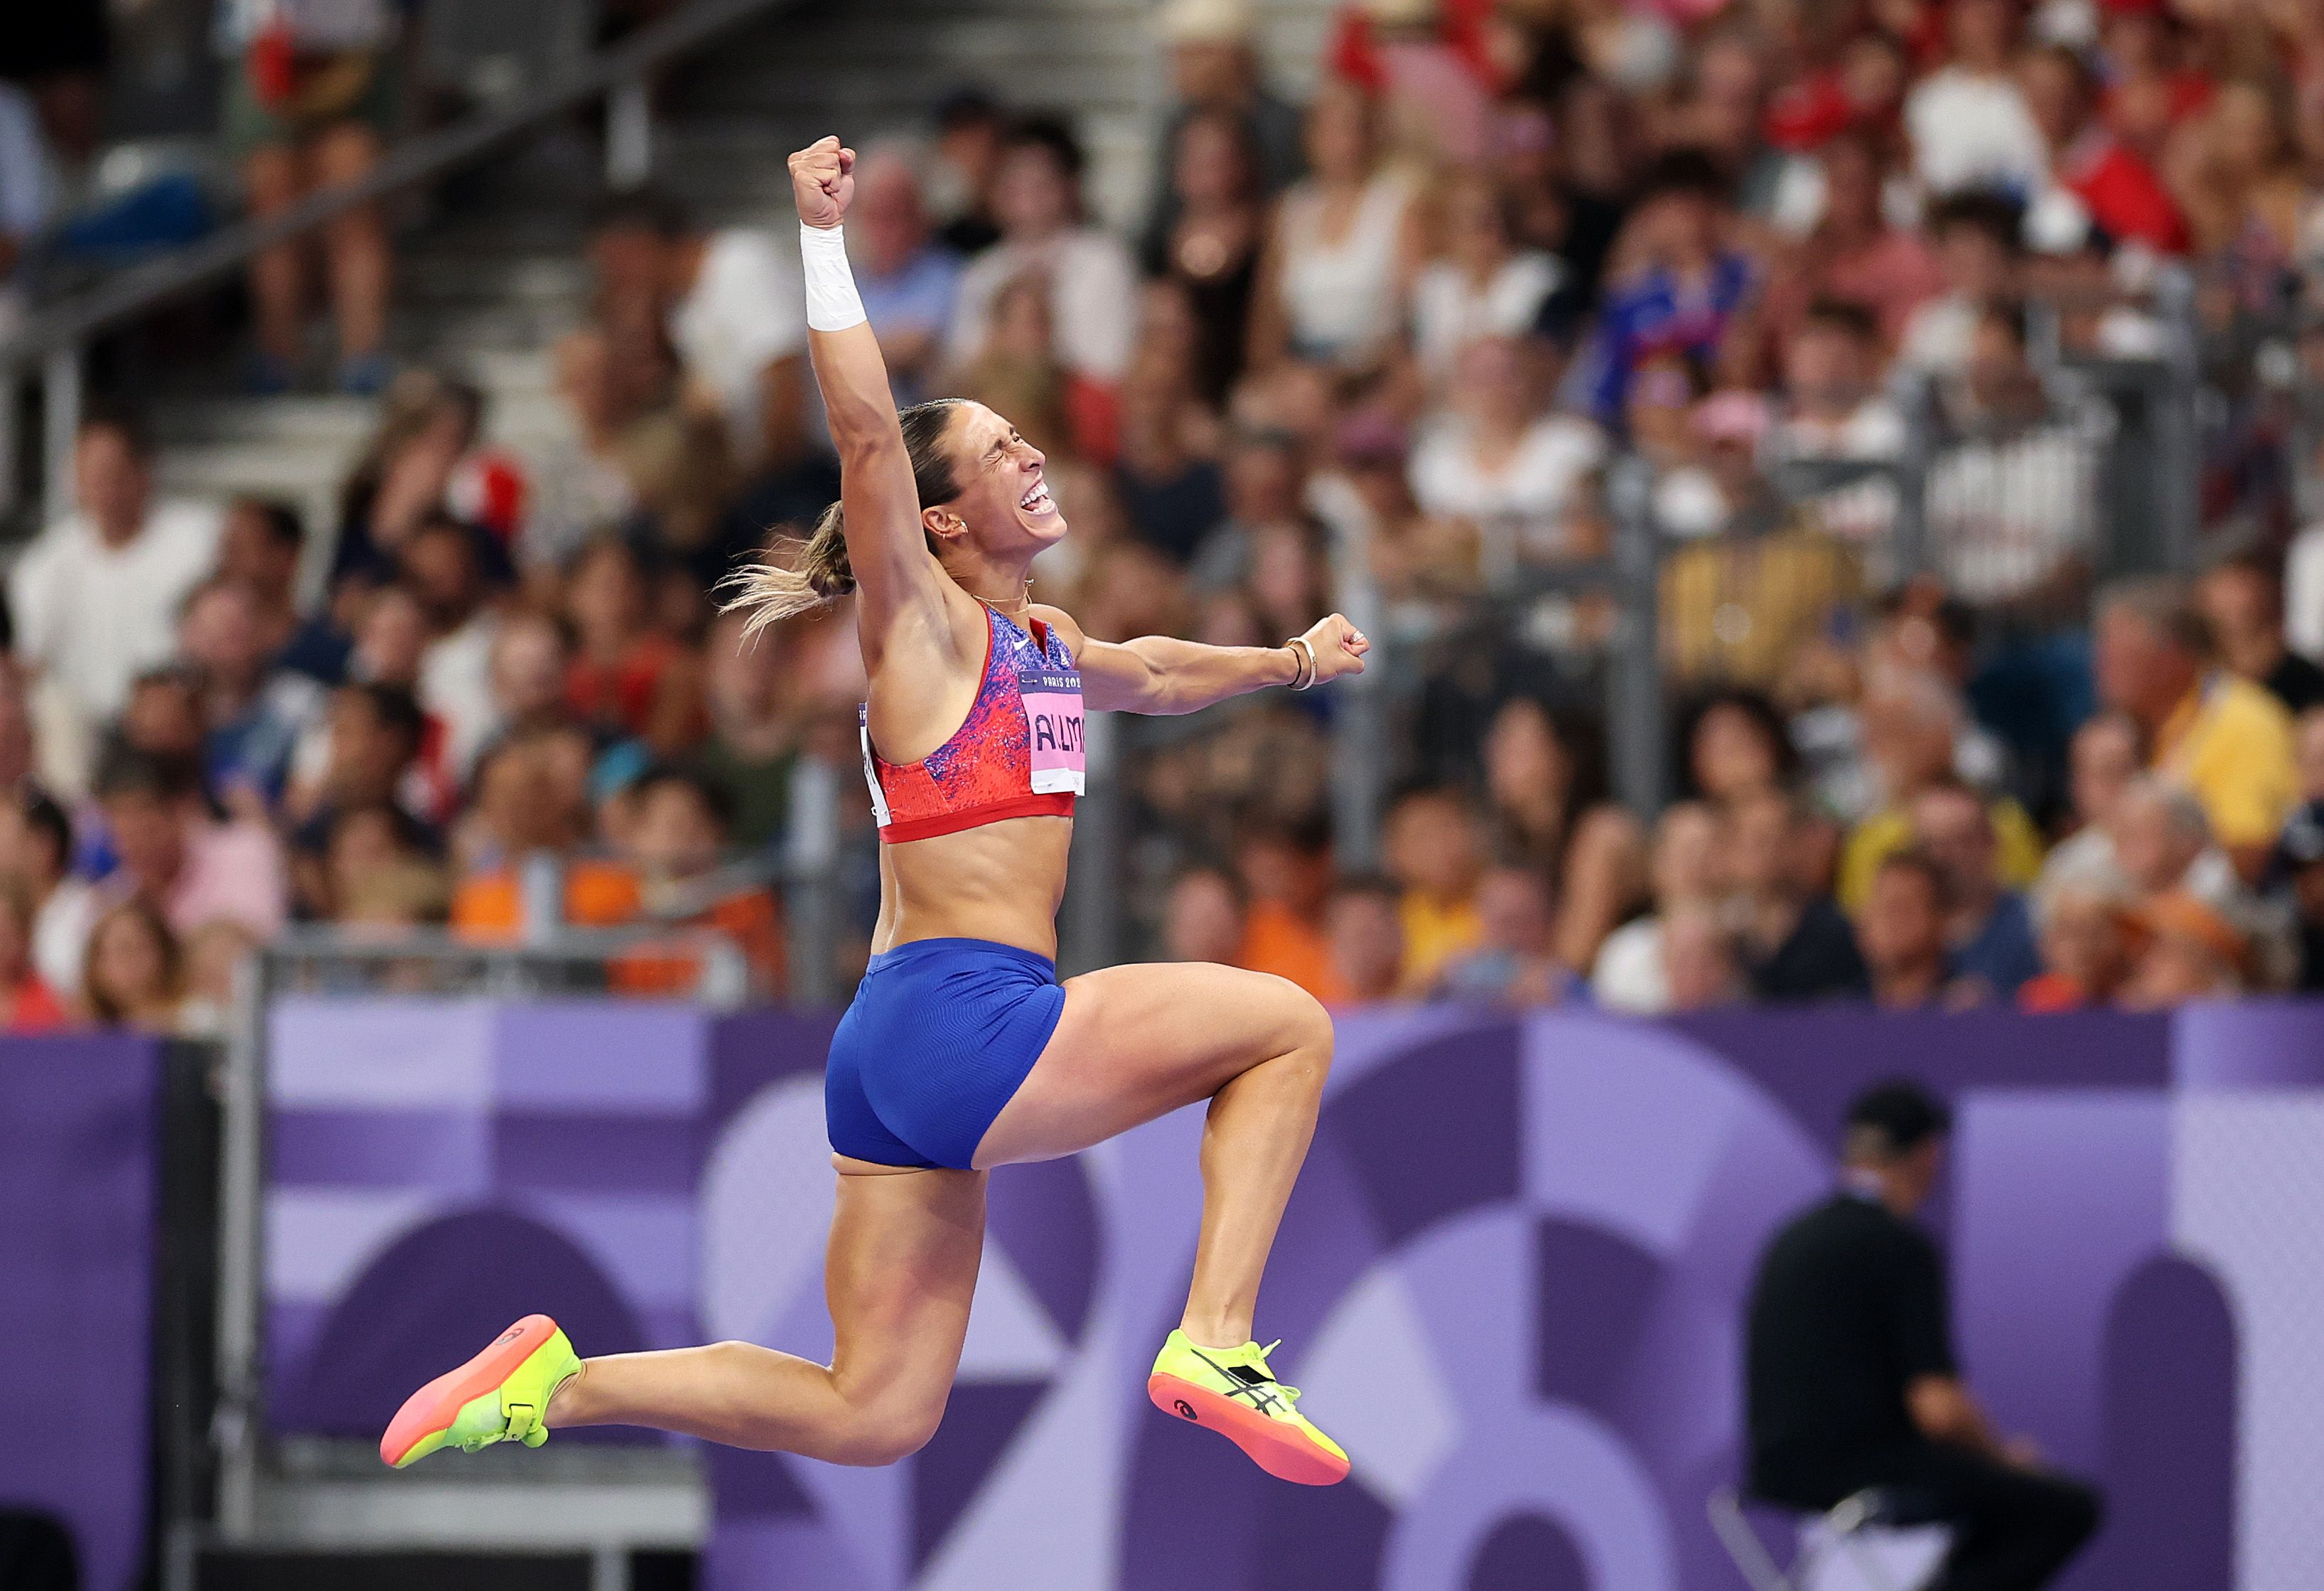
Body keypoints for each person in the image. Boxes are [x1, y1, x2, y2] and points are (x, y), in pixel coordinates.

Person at [385, 137, 1371, 1487]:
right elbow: (862, 429)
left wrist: (1292, 663)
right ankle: (1215, 1335)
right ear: (942, 521)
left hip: (895, 1042)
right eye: (998, 449)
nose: (1031, 452)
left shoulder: (1040, 639)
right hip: (969, 1016)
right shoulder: (924, 630)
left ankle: (557, 1382)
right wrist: (818, 236)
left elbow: (1151, 673)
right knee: (1288, 1026)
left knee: (876, 1409)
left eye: (1022, 434)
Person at [1745, 1081, 2103, 1590]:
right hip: (1864, 1471)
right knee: (2061, 1508)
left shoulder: (1791, 1239)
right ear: (1926, 1155)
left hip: (1776, 1474)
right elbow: (1938, 1408)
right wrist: (2004, 1460)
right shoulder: (1900, 1246)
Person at [9, 409, 223, 783]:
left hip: (177, 707)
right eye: (86, 473)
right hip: (83, 725)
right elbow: (33, 662)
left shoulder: (200, 539)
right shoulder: (43, 564)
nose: (99, 486)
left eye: (110, 471)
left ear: (144, 470)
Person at [217, 0, 399, 393]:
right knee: (274, 222)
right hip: (268, 41)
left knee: (357, 213)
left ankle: (363, 357)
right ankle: (277, 356)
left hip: (353, 41)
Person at [2094, 575, 2298, 882]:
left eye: (2117, 648)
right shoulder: (2121, 732)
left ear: (2171, 654)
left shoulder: (2245, 721)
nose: (2101, 664)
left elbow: (2251, 854)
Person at [1911, 780, 2042, 1000]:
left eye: (1960, 842)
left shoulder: (2033, 924)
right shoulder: (1899, 929)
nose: (1943, 858)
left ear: (1991, 842)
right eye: (1931, 845)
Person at [1857, 849, 1962, 1010]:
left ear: (1942, 922)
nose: (1887, 922)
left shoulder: (1966, 1010)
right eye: (1880, 905)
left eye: (1902, 908)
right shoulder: (1835, 1016)